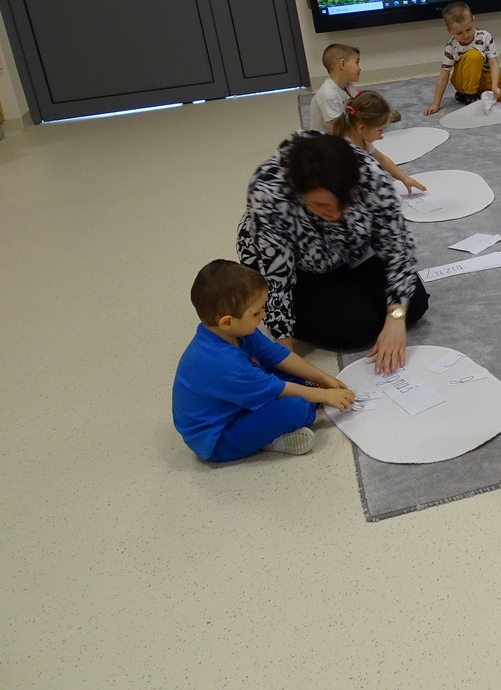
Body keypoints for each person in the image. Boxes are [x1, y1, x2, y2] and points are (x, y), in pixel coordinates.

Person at [236, 132, 430, 372]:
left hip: (349, 249)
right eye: (322, 205)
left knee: (414, 304)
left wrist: (395, 317)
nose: (335, 214)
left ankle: (350, 288)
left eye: (345, 202)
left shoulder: (369, 173)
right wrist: (284, 355)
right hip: (296, 264)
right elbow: (277, 280)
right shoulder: (269, 193)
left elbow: (398, 245)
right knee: (356, 329)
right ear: (300, 193)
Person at [173, 260, 355, 462]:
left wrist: (324, 378)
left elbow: (279, 356)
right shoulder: (224, 363)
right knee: (296, 409)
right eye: (256, 312)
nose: (263, 314)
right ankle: (270, 440)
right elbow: (278, 389)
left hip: (236, 402)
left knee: (292, 377)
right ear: (227, 322)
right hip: (220, 437)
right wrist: (324, 395)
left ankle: (279, 419)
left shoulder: (239, 332)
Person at [422, 2, 501, 114]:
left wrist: (494, 87)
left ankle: (473, 94)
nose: (465, 35)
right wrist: (435, 104)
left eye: (469, 29)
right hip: (463, 81)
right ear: (449, 31)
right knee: (473, 55)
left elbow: (493, 63)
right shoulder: (451, 47)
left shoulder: (485, 36)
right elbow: (443, 77)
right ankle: (469, 95)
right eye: (459, 33)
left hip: (484, 76)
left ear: (473, 20)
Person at [329, 90, 427, 196]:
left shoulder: (360, 139)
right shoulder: (346, 151)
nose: (382, 134)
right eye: (379, 130)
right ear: (361, 128)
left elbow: (382, 159)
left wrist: (404, 178)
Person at [309, 43, 361, 134]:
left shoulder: (348, 86)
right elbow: (339, 130)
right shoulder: (328, 95)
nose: (359, 68)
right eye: (356, 62)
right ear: (343, 64)